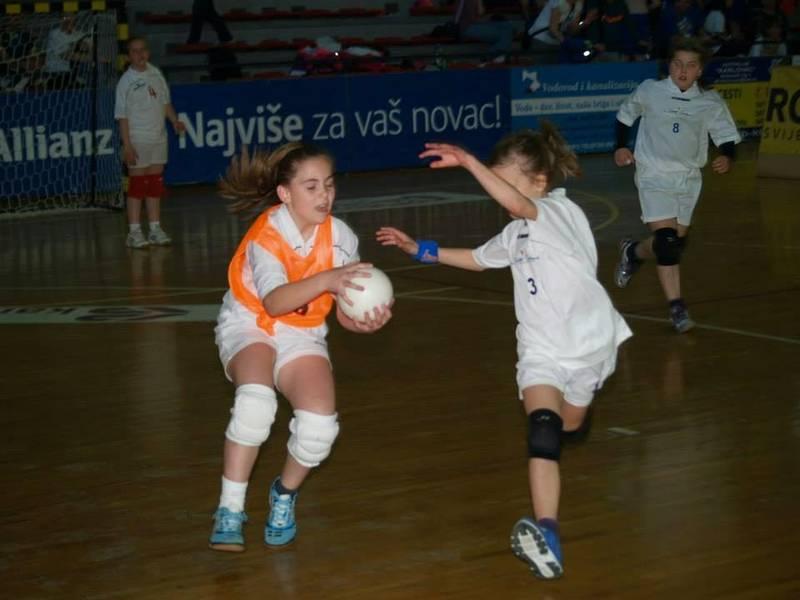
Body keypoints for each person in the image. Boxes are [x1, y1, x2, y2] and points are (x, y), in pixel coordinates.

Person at [376, 124, 632, 579]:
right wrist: (420, 250)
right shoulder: (516, 234)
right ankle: (548, 534)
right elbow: (478, 258)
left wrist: (468, 160)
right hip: (540, 350)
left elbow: (518, 204)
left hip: (589, 345)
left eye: (503, 181)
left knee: (570, 425)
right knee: (543, 430)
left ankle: (577, 417)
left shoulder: (558, 212)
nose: (497, 194)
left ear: (539, 181)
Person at [209, 142, 393, 552]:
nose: (324, 195)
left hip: (302, 331)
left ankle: (284, 494)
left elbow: (343, 311)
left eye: (328, 184)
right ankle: (230, 508)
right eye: (311, 187)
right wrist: (328, 279)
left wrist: (362, 320)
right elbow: (275, 302)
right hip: (250, 322)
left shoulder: (341, 237)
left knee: (319, 430)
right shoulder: (267, 235)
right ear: (285, 194)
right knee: (255, 404)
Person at [613, 36, 741, 333]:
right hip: (653, 174)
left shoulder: (710, 101)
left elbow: (726, 136)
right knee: (667, 243)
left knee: (672, 245)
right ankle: (677, 308)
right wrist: (620, 146)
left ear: (700, 70)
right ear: (669, 65)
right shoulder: (650, 90)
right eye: (677, 64)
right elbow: (624, 117)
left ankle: (633, 253)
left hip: (688, 178)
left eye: (690, 65)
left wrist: (727, 156)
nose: (683, 71)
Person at [114, 37, 185, 249]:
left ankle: (155, 229)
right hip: (138, 138)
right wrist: (127, 145)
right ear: (129, 56)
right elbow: (122, 117)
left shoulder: (156, 74)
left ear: (148, 52)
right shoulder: (125, 82)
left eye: (143, 49)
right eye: (135, 51)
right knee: (137, 186)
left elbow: (165, 103)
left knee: (155, 184)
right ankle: (134, 232)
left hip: (158, 137)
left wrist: (174, 121)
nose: (140, 54)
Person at [43, 13, 91, 89]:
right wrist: (92, 58)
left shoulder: (80, 35)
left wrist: (88, 48)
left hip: (75, 74)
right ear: (61, 19)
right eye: (65, 17)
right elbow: (66, 56)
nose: (68, 19)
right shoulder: (55, 34)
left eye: (70, 16)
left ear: (75, 18)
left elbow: (91, 48)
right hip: (57, 74)